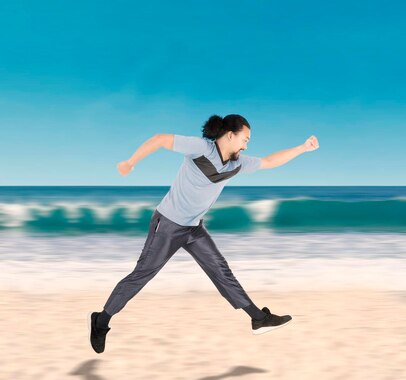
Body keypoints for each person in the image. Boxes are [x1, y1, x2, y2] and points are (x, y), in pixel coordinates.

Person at [89, 114, 320, 354]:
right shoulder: (200, 149)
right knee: (143, 274)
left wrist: (303, 148)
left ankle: (258, 318)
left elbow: (270, 161)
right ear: (230, 135)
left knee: (221, 271)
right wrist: (131, 162)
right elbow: (160, 139)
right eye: (245, 139)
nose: (246, 145)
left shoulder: (236, 164)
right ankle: (101, 320)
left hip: (194, 228)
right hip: (168, 223)